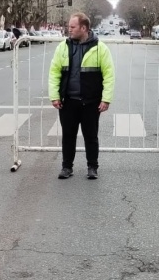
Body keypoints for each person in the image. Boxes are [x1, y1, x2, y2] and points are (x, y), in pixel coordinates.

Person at [48, 13, 115, 180]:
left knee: (91, 136)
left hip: (90, 102)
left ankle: (92, 167)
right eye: (69, 27)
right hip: (68, 101)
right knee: (68, 136)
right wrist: (54, 96)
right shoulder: (63, 47)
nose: (68, 29)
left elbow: (109, 75)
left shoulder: (100, 48)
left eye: (72, 27)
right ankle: (66, 167)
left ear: (83, 28)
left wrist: (106, 99)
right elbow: (54, 72)